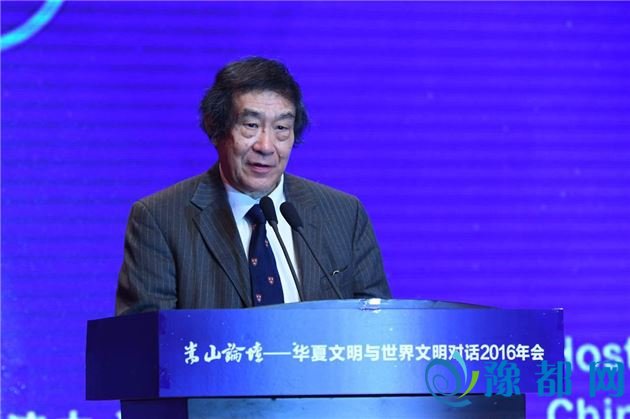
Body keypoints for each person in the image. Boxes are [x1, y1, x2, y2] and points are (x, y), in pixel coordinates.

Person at [115, 57, 391, 314]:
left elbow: (378, 329)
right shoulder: (160, 219)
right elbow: (147, 339)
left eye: (281, 128)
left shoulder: (344, 214)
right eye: (250, 125)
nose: (266, 146)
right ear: (216, 128)